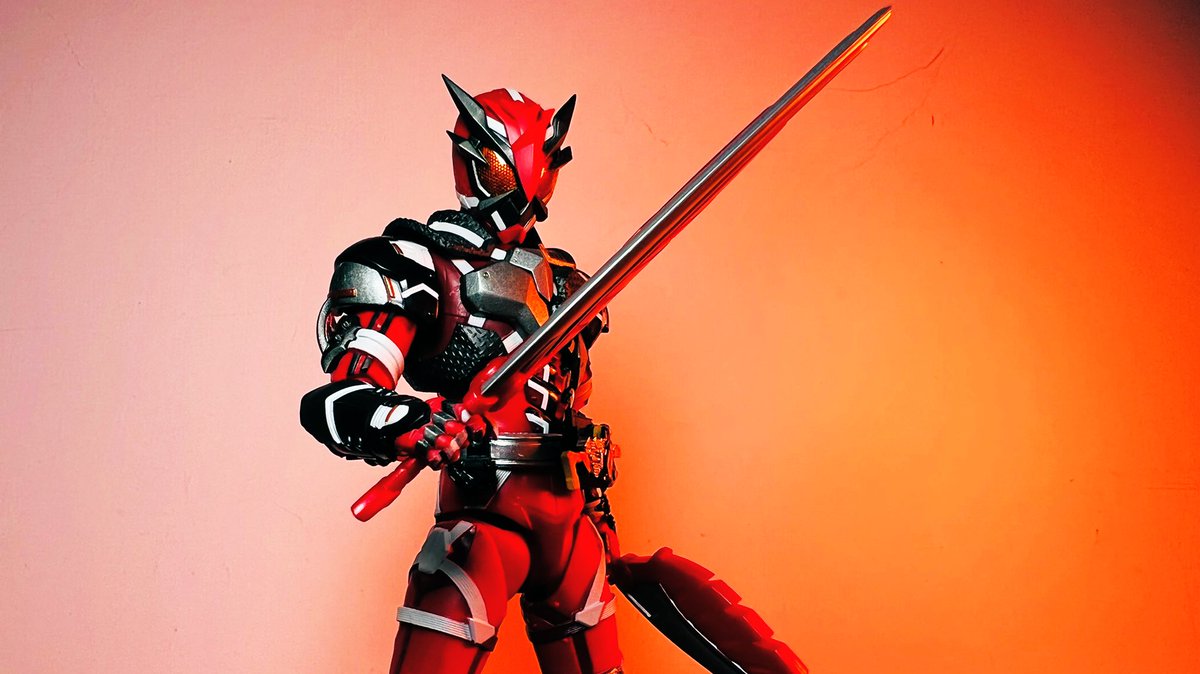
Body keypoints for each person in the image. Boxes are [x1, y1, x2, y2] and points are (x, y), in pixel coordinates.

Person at [300, 76, 622, 674]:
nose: (527, 182)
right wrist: (410, 422)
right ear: (477, 160)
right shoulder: (420, 264)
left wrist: (599, 502)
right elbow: (338, 399)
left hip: (573, 526)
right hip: (483, 516)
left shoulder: (567, 283)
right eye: (508, 165)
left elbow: (569, 406)